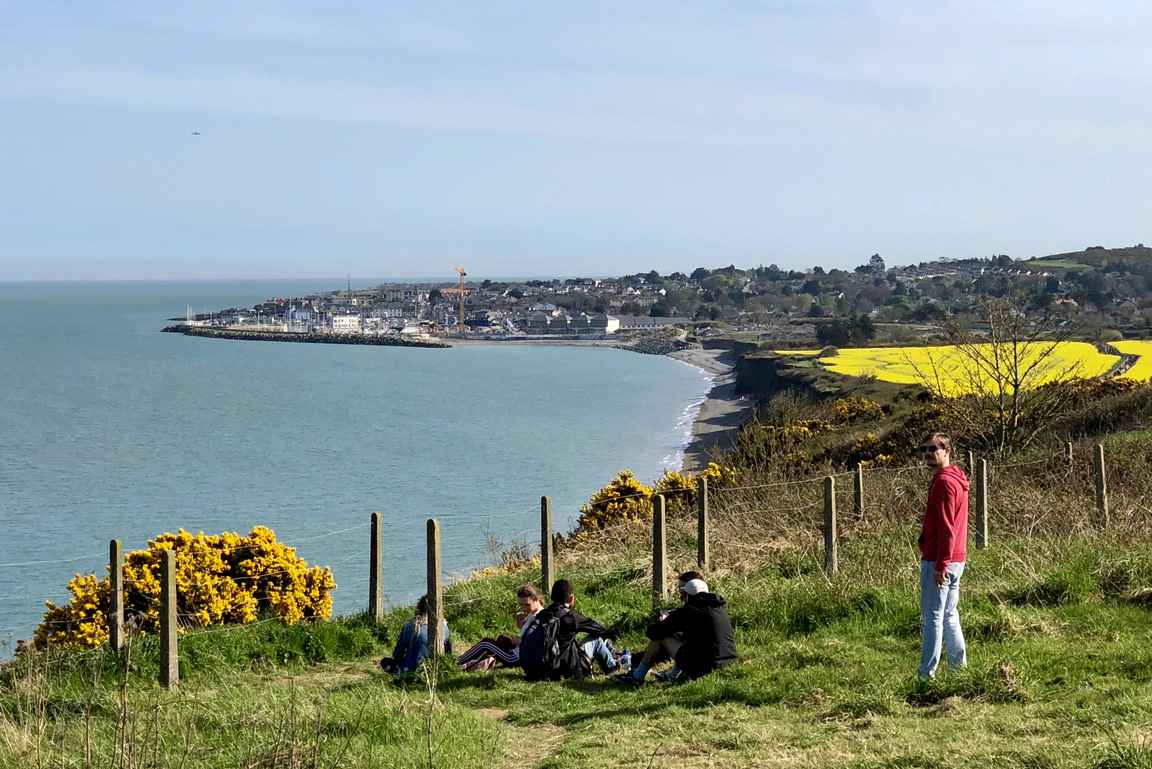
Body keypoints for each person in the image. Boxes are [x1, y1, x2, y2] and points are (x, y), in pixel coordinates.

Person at [617, 571, 736, 685]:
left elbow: (653, 632)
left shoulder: (690, 610)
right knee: (683, 639)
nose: (682, 599)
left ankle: (637, 677)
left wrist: (664, 621)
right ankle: (671, 675)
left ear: (687, 595)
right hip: (728, 662)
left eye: (682, 595)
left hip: (705, 668)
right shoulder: (719, 608)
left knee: (662, 636)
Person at [917, 431, 969, 680]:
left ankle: (926, 675)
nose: (928, 453)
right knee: (949, 614)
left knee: (932, 617)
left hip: (941, 559)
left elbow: (947, 526)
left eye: (934, 449)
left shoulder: (944, 483)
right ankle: (959, 670)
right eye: (924, 449)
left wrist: (940, 565)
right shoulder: (956, 478)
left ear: (947, 451)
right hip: (956, 558)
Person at [520, 579, 617, 681]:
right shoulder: (571, 616)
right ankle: (613, 669)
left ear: (552, 596)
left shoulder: (542, 614)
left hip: (538, 670)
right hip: (564, 669)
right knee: (597, 641)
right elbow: (600, 630)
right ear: (571, 598)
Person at [456, 584, 545, 672]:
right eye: (521, 605)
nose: (523, 608)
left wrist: (518, 641)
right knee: (503, 639)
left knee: (486, 643)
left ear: (536, 599)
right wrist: (520, 625)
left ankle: (457, 662)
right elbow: (528, 634)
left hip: (516, 658)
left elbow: (535, 643)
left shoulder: (539, 617)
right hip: (519, 652)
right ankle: (477, 663)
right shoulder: (533, 613)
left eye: (526, 605)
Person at [379, 595, 452, 675]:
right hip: (438, 668)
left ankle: (399, 672)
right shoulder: (444, 625)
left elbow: (398, 653)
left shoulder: (411, 626)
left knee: (384, 661)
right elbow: (448, 650)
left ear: (419, 607)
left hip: (413, 670)